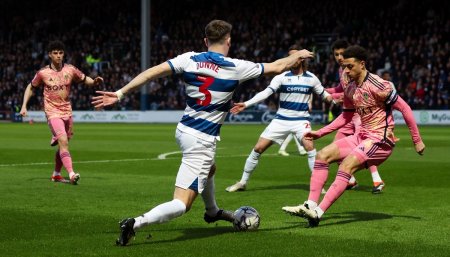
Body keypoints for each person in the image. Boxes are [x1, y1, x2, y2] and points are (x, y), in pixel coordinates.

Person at [91, 20, 314, 246]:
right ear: (228, 41)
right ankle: (135, 223)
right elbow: (277, 67)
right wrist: (299, 55)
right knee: (182, 204)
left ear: (205, 41)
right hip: (201, 139)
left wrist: (120, 93)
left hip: (184, 130)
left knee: (211, 168)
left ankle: (213, 211)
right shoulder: (236, 66)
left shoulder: (189, 58)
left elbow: (152, 73)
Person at [282, 45, 425, 227]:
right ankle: (310, 205)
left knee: (347, 166)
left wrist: (417, 140)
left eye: (350, 66)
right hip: (361, 136)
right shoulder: (350, 87)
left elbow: (404, 108)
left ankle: (317, 213)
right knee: (322, 156)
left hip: (380, 139)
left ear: (362, 64)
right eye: (344, 67)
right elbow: (347, 116)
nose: (346, 70)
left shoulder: (379, 85)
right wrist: (320, 132)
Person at [225, 45, 334, 193]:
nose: (291, 59)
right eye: (289, 56)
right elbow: (265, 93)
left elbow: (324, 94)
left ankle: (318, 186)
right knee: (258, 148)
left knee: (309, 148)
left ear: (301, 59)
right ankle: (243, 182)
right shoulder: (282, 77)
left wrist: (333, 100)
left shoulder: (312, 79)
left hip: (301, 121)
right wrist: (246, 104)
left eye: (294, 56)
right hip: (280, 120)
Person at [20, 40, 104, 185]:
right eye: (55, 53)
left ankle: (56, 174)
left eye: (60, 53)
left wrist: (94, 82)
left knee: (62, 144)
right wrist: (24, 106)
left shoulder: (70, 69)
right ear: (49, 55)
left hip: (67, 111)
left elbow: (85, 79)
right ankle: (71, 174)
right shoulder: (43, 73)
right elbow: (31, 87)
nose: (58, 56)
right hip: (52, 112)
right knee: (64, 141)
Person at [327, 39, 385, 193]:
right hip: (347, 116)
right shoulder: (342, 71)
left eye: (342, 54)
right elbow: (341, 88)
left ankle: (377, 181)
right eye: (336, 54)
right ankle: (349, 180)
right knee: (335, 149)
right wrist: (323, 90)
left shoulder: (353, 70)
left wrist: (336, 96)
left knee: (366, 147)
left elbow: (356, 92)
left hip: (360, 115)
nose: (339, 57)